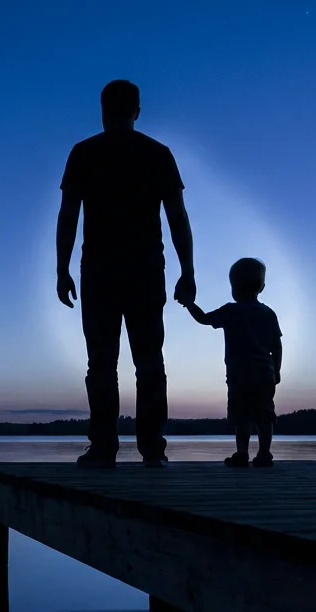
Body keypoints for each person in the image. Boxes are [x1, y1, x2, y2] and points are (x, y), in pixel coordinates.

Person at [57, 80, 195, 469]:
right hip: (146, 270)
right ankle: (152, 448)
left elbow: (68, 217)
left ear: (102, 110)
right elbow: (178, 219)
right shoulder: (157, 154)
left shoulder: (84, 153)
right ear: (137, 110)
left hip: (99, 271)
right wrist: (188, 271)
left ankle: (104, 448)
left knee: (101, 362)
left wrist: (61, 268)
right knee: (149, 360)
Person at [182, 257, 283, 468]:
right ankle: (265, 453)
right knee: (265, 414)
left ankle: (242, 453)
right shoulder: (268, 313)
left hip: (239, 374)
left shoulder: (231, 311)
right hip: (266, 372)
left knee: (242, 414)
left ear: (234, 287)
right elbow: (277, 346)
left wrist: (189, 304)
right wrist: (277, 371)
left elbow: (203, 319)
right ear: (262, 287)